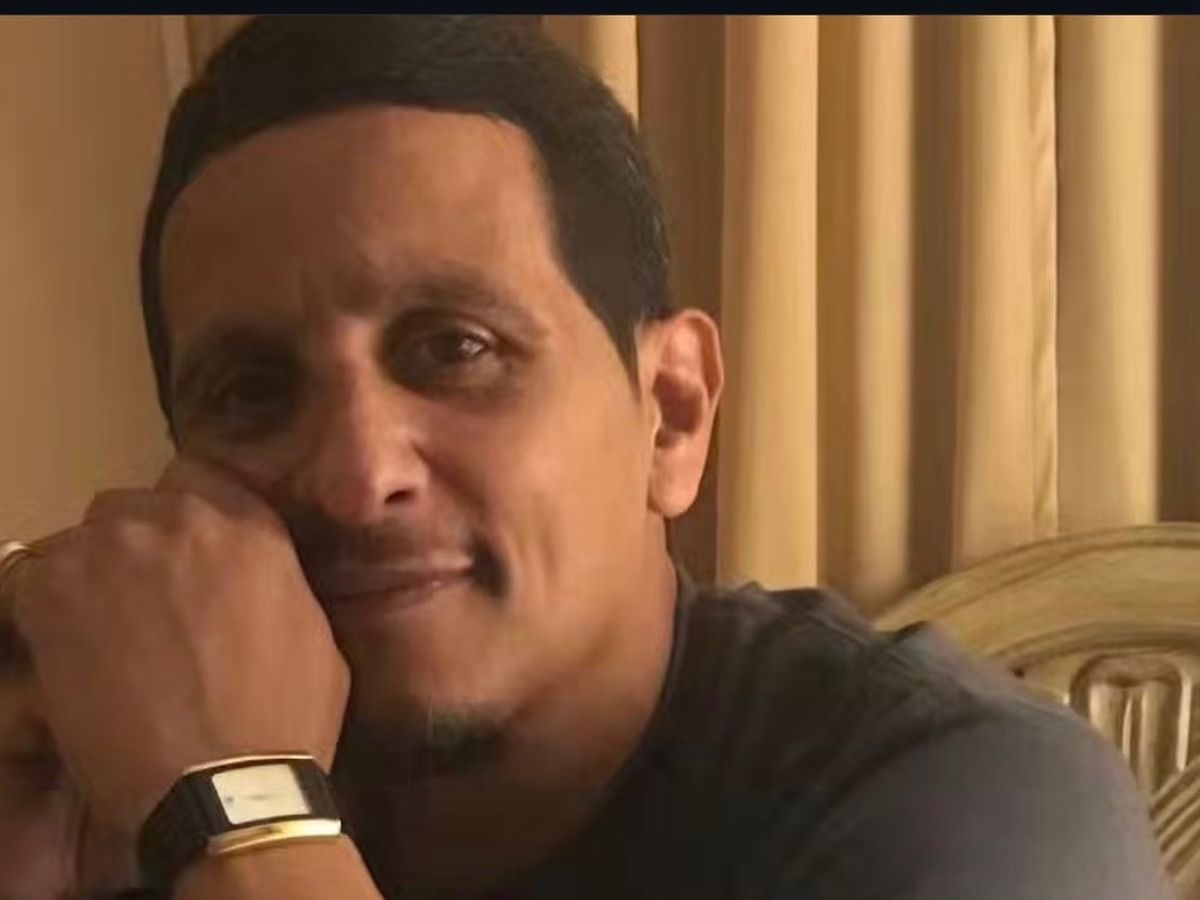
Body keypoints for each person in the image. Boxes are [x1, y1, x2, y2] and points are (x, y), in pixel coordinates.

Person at [0, 14, 1172, 900]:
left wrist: (245, 819)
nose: (355, 478)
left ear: (671, 416)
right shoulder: (129, 791)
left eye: (455, 349)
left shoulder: (985, 807)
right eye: (253, 391)